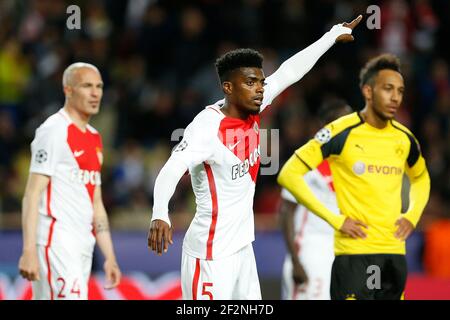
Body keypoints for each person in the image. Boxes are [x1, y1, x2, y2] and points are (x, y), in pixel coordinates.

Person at [148, 16, 363, 300]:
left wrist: (330, 37)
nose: (260, 88)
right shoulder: (206, 127)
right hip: (211, 254)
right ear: (228, 88)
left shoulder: (253, 107)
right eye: (251, 82)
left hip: (242, 250)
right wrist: (160, 213)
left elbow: (290, 71)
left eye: (261, 81)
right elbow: (172, 168)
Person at [277, 54, 431, 300]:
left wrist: (411, 216)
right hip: (317, 251)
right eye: (388, 89)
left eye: (400, 90)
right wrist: (299, 255)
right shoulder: (316, 162)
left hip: (381, 251)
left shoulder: (401, 139)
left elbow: (421, 178)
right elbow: (286, 200)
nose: (395, 97)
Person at [18, 63, 121, 300]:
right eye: (87, 86)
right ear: (68, 90)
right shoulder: (53, 131)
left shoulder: (94, 138)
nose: (95, 93)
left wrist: (110, 256)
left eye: (99, 86)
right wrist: (28, 250)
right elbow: (32, 194)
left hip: (82, 243)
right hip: (56, 241)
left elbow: (95, 202)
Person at [280, 99, 352, 300]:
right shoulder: (306, 161)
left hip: (339, 253)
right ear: (327, 126)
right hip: (310, 252)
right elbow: (286, 211)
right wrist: (296, 261)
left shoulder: (351, 164)